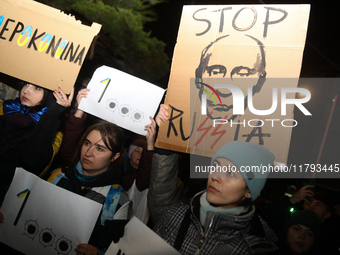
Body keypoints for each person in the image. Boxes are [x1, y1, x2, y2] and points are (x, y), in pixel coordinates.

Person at [149, 136, 278, 254]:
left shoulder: (251, 249)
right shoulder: (174, 216)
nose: (216, 176)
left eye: (231, 173)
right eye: (216, 166)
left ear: (249, 191)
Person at [0, 81, 73, 205]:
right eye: (26, 84)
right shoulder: (6, 108)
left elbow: (31, 160)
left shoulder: (49, 132)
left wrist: (52, 114)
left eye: (37, 88)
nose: (26, 90)